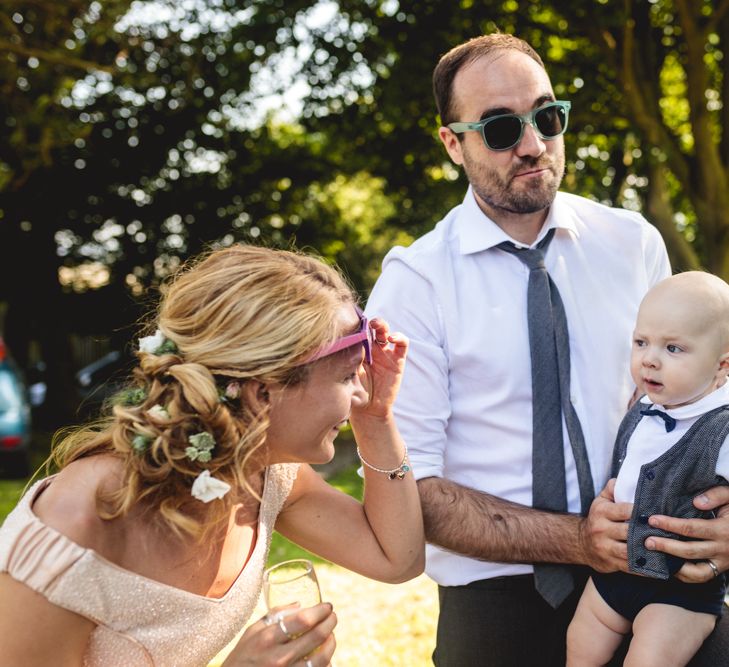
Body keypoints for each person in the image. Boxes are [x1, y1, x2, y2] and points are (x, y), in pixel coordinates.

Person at [366, 32, 729, 666]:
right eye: (502, 128)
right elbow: (411, 486)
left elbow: (705, 396)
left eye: (547, 117)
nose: (534, 145)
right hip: (493, 595)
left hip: (658, 573)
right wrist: (577, 541)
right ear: (453, 143)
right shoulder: (414, 283)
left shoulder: (633, 243)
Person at [0, 244, 424, 666]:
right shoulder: (74, 529)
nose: (361, 392)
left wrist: (377, 419)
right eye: (349, 376)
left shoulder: (265, 475)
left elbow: (396, 559)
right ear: (262, 394)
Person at [567, 271, 729, 667]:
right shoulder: (644, 406)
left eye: (674, 348)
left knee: (648, 660)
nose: (649, 358)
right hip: (616, 571)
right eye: (641, 342)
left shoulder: (722, 426)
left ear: (722, 365)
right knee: (579, 643)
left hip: (680, 589)